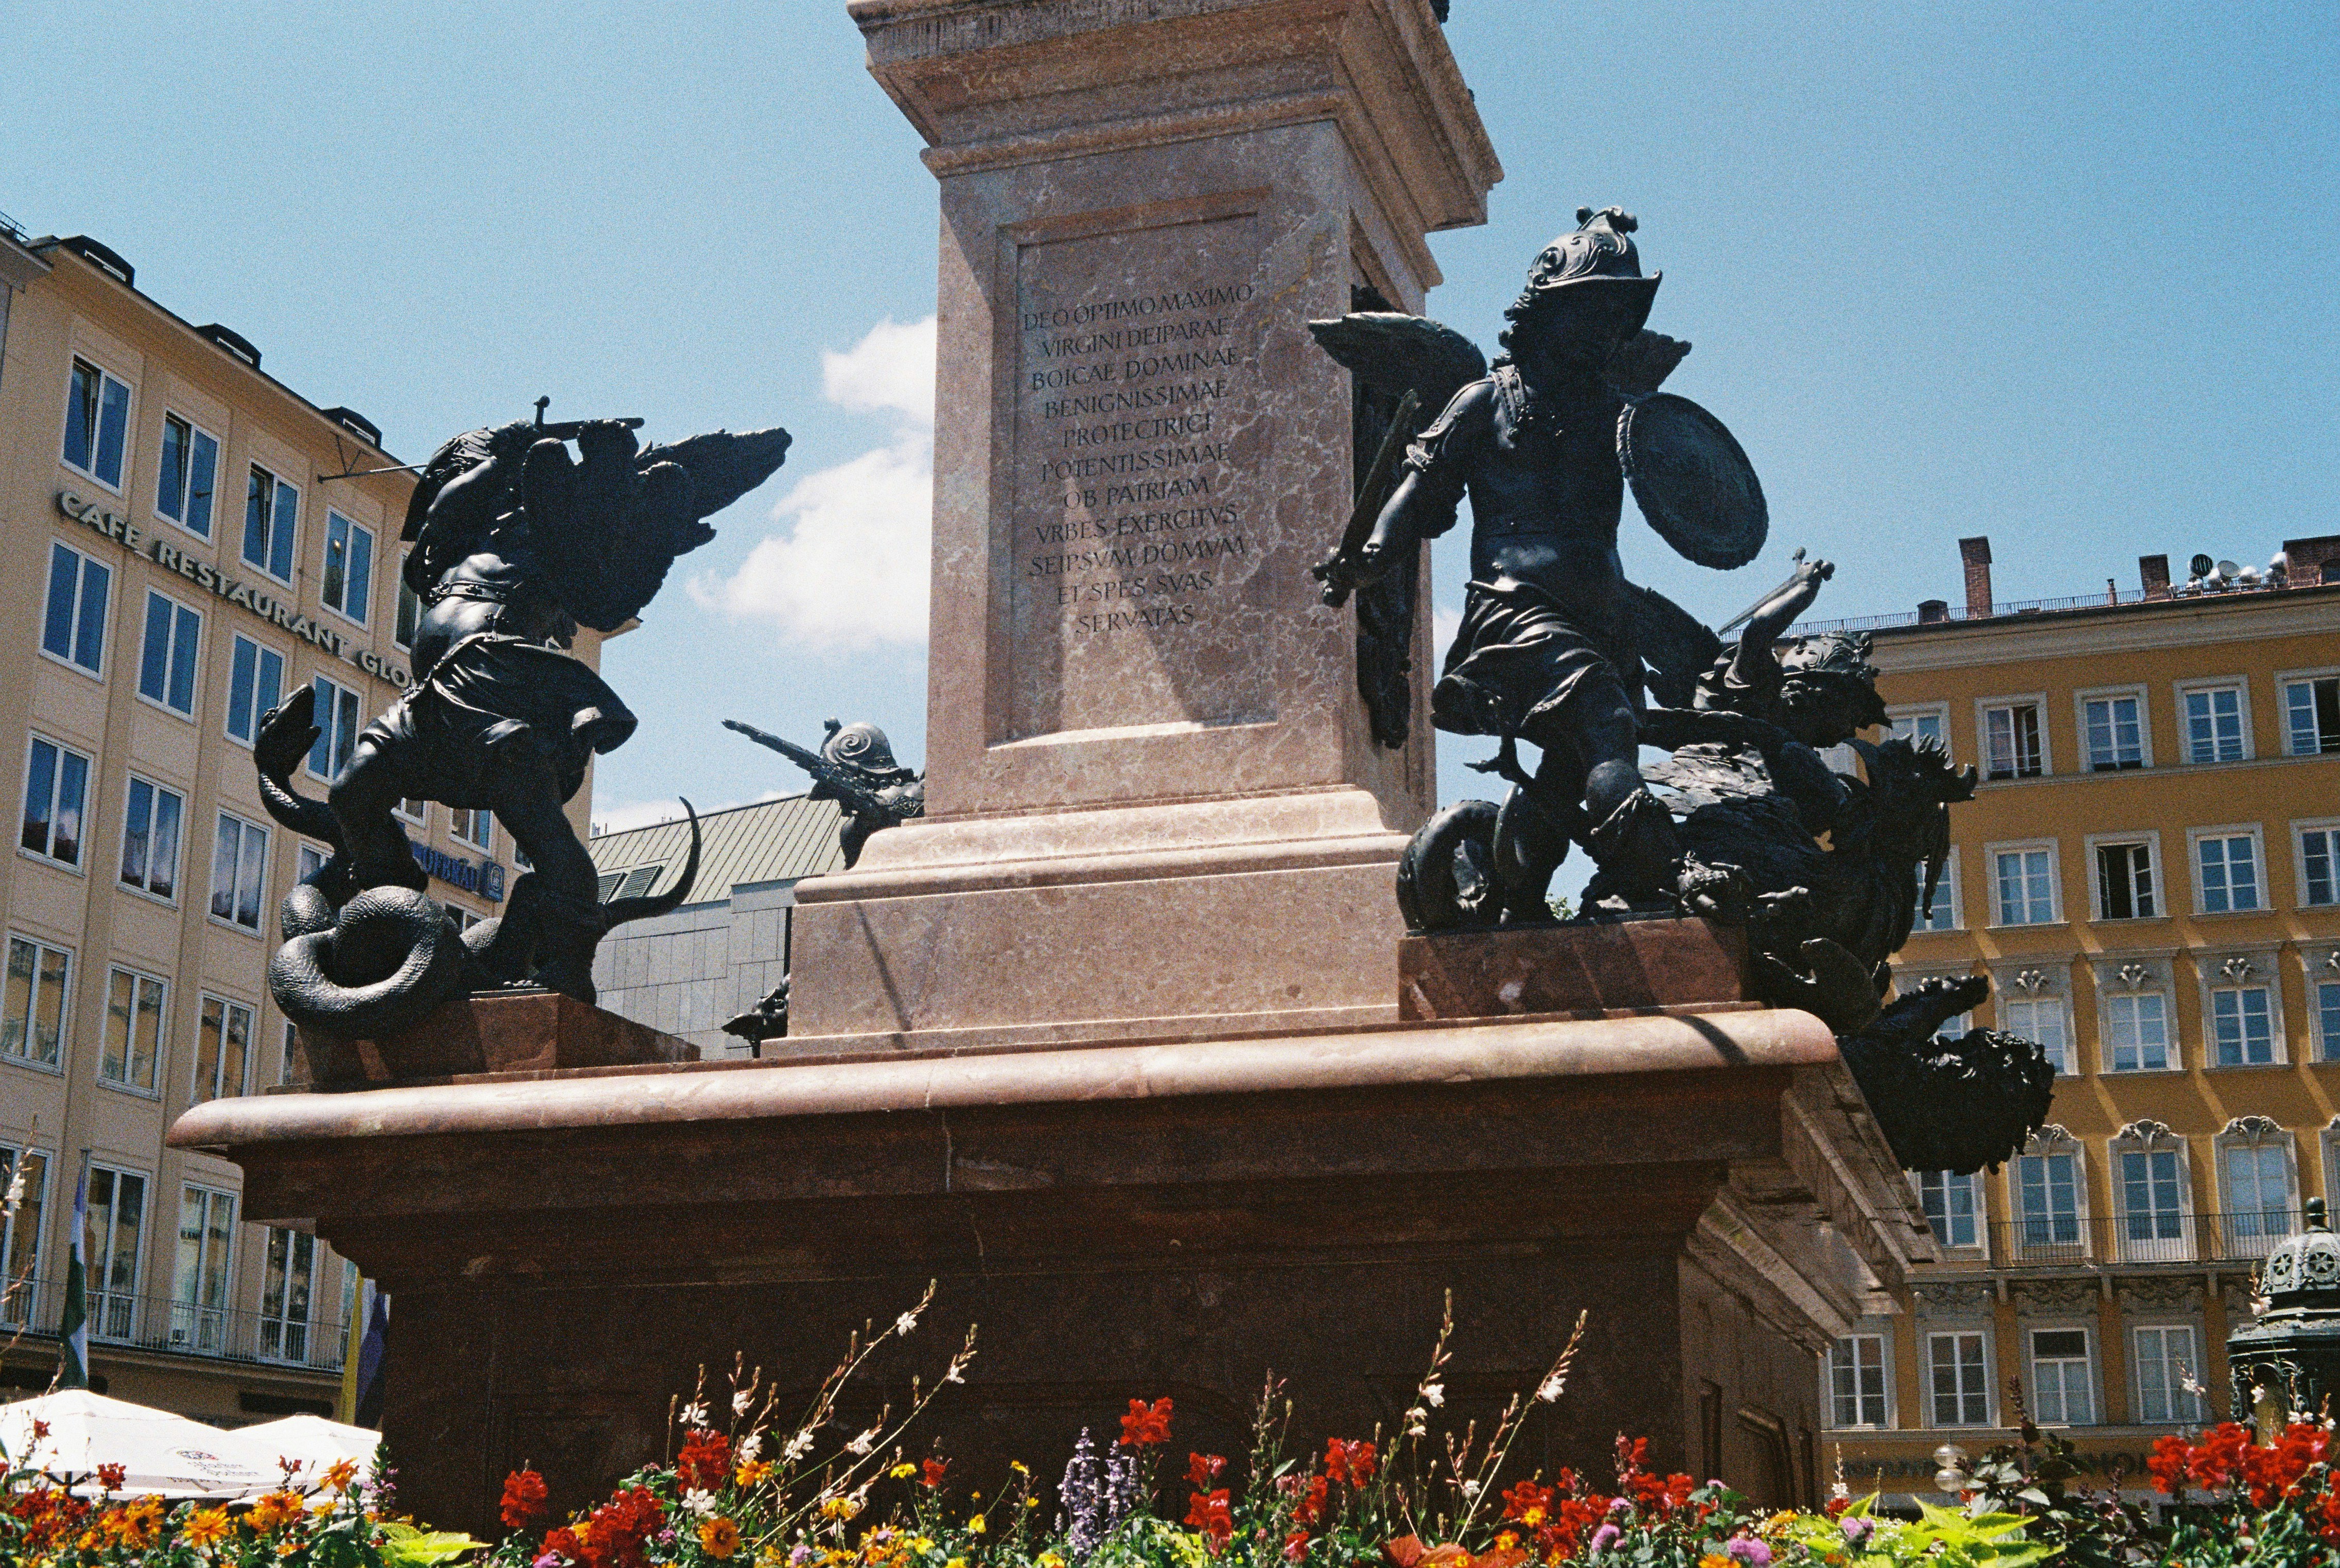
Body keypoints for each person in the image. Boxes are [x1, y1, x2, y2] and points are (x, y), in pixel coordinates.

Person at [1318, 207, 1682, 915]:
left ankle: (1512, 897)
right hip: (1518, 614)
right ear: (1548, 314)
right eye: (1595, 310)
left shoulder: (1617, 410)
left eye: (1618, 314)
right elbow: (1416, 492)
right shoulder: (1484, 401)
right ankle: (1659, 886)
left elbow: (1687, 485)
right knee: (1605, 726)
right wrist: (1369, 556)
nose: (1610, 329)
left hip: (1603, 619)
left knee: (1565, 768)